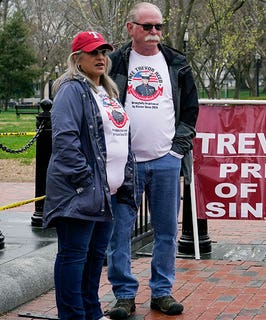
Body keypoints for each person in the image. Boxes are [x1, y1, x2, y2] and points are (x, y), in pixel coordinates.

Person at [106, 2, 199, 318]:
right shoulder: (115, 62)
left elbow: (190, 111)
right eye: (148, 27)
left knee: (166, 231)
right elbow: (103, 108)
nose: (155, 33)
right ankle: (123, 295)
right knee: (120, 231)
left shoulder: (177, 63)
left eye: (159, 26)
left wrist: (176, 150)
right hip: (125, 164)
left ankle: (162, 292)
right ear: (131, 27)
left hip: (166, 161)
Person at [43, 31, 136, 320]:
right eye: (93, 52)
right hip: (81, 193)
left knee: (96, 258)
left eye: (104, 52)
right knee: (74, 257)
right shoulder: (72, 89)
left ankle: (91, 312)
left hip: (106, 194)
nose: (100, 58)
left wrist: (123, 181)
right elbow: (65, 140)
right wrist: (86, 181)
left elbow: (121, 138)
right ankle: (73, 316)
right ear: (77, 58)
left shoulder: (108, 92)